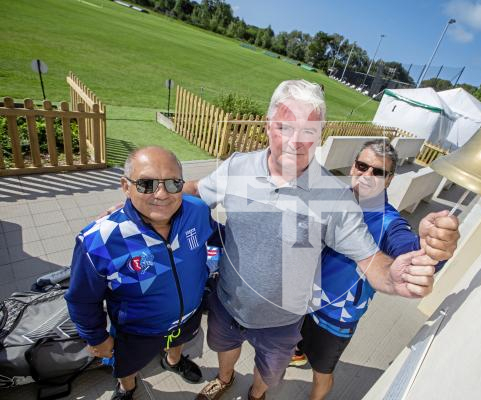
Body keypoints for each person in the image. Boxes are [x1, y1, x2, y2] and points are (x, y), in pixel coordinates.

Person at [184, 80, 459, 400]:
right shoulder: (238, 167)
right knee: (233, 351)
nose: (295, 141)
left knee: (280, 374)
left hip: (300, 320)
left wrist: (413, 262)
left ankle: (257, 396)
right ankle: (226, 378)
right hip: (240, 304)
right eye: (286, 127)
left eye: (309, 131)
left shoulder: (349, 205)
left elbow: (378, 258)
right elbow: (197, 191)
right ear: (269, 124)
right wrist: (152, 197)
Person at [291, 140, 456, 399]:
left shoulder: (387, 222)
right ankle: (298, 352)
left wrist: (431, 247)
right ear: (353, 166)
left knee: (322, 372)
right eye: (362, 166)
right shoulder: (337, 198)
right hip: (304, 299)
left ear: (389, 180)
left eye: (378, 172)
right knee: (295, 340)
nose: (368, 175)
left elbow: (406, 247)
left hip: (336, 317)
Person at [65, 146, 216, 400]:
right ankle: (127, 387)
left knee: (180, 341)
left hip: (189, 314)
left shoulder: (197, 211)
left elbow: (215, 235)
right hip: (137, 331)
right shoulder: (100, 240)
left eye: (173, 183)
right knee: (127, 365)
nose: (162, 194)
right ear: (126, 186)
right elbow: (82, 299)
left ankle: (173, 360)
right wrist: (97, 338)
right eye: (147, 184)